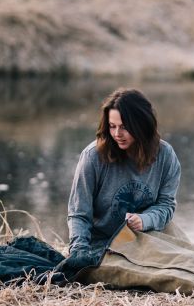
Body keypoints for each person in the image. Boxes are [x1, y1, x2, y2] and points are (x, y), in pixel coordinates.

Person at [66, 87, 181, 268]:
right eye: (112, 126)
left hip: (149, 234)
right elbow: (79, 214)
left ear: (142, 125)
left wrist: (144, 220)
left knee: (189, 263)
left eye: (125, 127)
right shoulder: (93, 157)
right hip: (104, 242)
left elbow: (166, 205)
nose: (117, 134)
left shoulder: (165, 155)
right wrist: (79, 251)